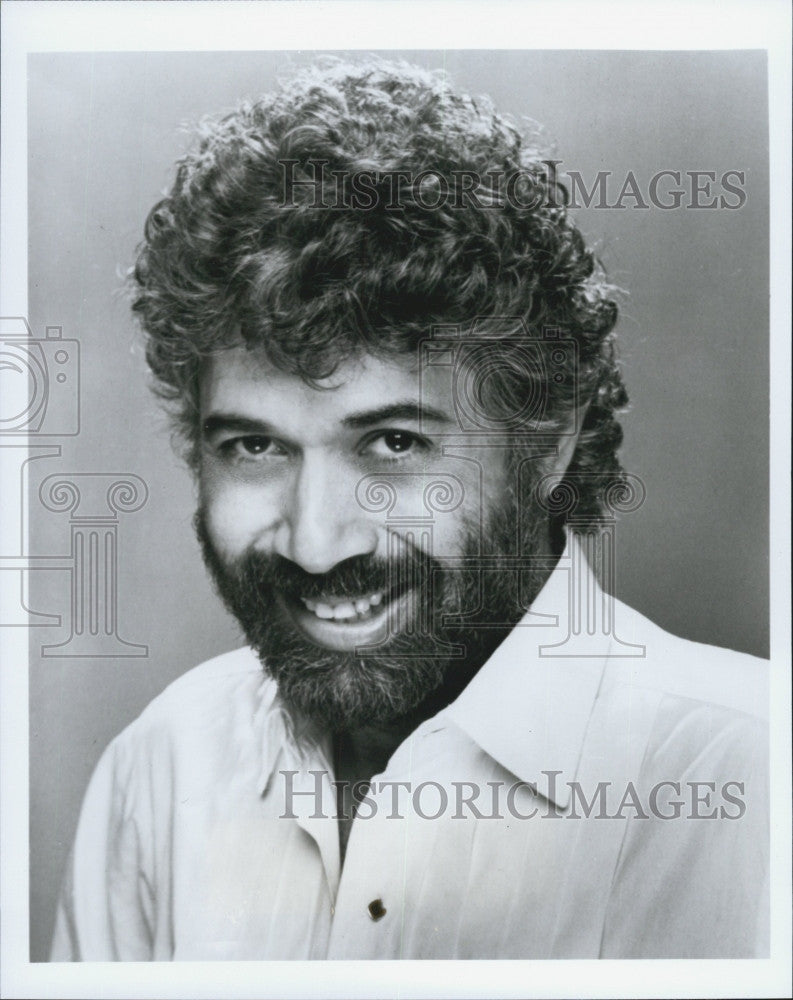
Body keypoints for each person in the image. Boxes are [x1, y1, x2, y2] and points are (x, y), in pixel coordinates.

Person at [51, 57, 768, 961]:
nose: (317, 544)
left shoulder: (753, 781)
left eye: (392, 443)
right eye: (255, 446)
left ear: (544, 442)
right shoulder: (162, 766)